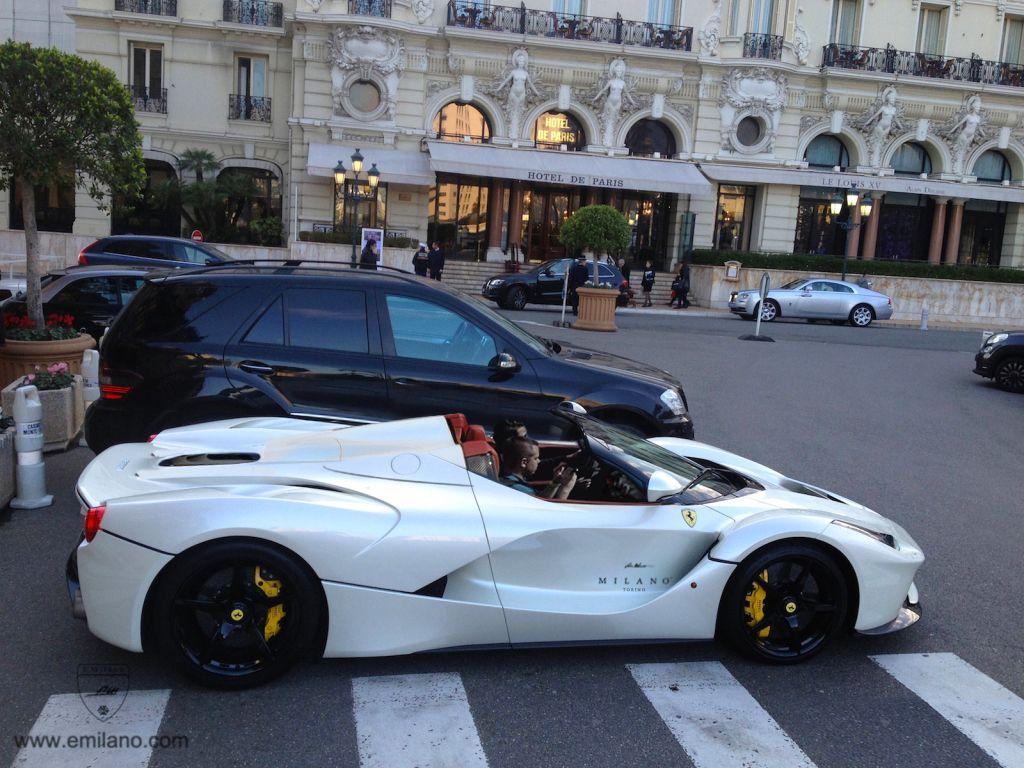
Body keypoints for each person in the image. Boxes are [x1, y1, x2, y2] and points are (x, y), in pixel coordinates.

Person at [499, 436, 577, 500]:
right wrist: (565, 489)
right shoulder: (516, 488)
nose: (539, 461)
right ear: (524, 462)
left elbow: (541, 497)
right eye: (536, 458)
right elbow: (542, 507)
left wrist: (555, 482)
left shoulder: (510, 480)